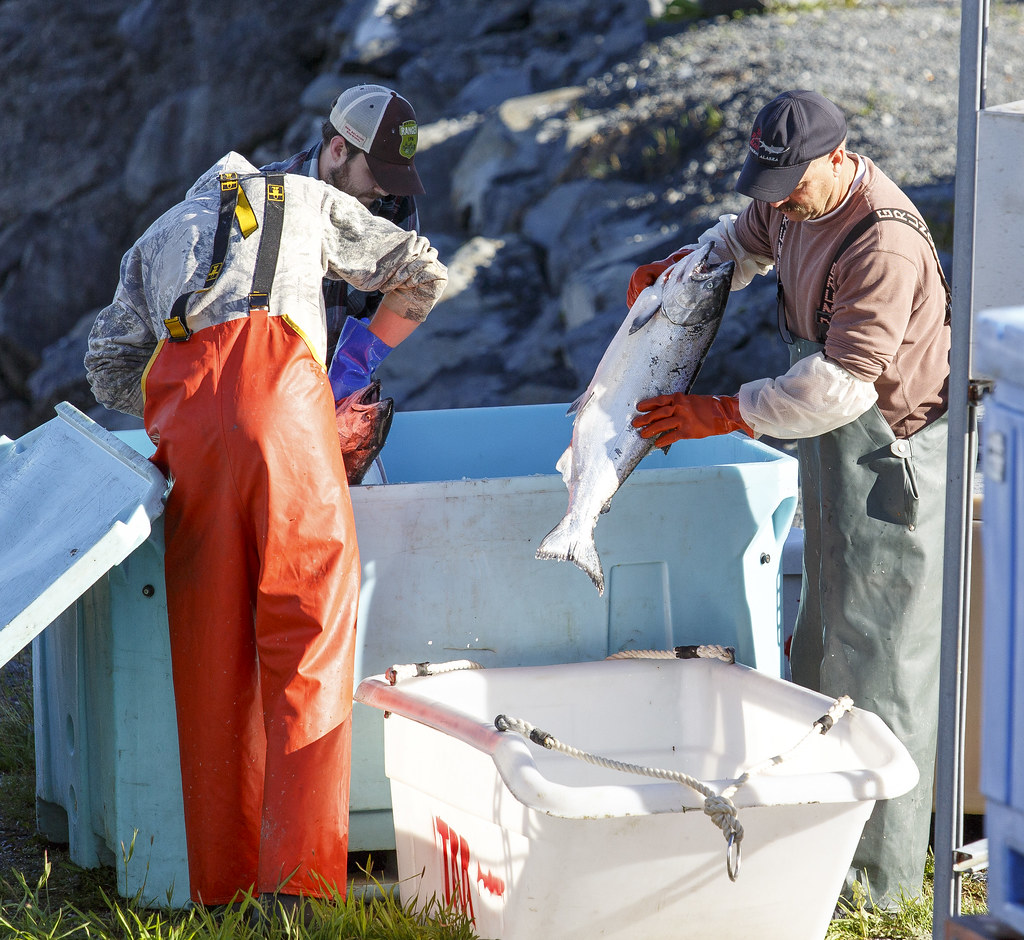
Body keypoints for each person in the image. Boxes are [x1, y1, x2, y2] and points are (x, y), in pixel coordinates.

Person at [84, 150, 447, 912]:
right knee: (308, 642)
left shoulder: (156, 239)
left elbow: (108, 368)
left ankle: (222, 892)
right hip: (287, 418)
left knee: (212, 652)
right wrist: (351, 361)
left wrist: (184, 397)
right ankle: (302, 892)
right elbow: (422, 271)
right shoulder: (307, 199)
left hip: (192, 444)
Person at [629, 89, 951, 910]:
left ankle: (880, 892)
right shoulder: (787, 202)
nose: (777, 199)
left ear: (838, 157)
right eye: (766, 182)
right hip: (833, 456)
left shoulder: (883, 241)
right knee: (822, 656)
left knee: (881, 668)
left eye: (789, 182)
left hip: (889, 464)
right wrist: (679, 272)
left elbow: (842, 386)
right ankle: (824, 865)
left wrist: (722, 412)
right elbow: (737, 245)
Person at [261, 83, 425, 404]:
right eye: (377, 173)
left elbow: (406, 290)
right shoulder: (267, 202)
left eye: (394, 177)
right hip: (270, 392)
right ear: (339, 149)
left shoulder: (393, 202)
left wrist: (357, 359)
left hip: (342, 396)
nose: (385, 190)